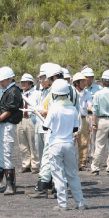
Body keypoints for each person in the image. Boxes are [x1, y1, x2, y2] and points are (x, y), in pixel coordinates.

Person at [43, 79, 89, 211]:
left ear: (54, 94)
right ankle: (80, 203)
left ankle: (63, 204)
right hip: (68, 144)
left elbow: (45, 127)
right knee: (72, 175)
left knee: (58, 175)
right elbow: (75, 129)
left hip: (55, 144)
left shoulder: (53, 109)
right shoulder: (73, 109)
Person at [0, 66, 24, 195]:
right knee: (0, 154)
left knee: (6, 153)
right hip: (2, 124)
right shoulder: (8, 90)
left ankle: (11, 186)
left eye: (2, 80)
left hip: (7, 125)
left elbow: (9, 111)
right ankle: (8, 184)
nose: (0, 83)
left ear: (10, 79)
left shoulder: (14, 91)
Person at [71, 73, 93, 170]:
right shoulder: (71, 92)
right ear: (76, 83)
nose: (85, 83)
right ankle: (70, 163)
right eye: (83, 81)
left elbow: (90, 106)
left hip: (83, 119)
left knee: (84, 142)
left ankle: (82, 164)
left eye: (85, 81)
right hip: (72, 120)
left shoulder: (87, 93)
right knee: (71, 142)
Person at [18, 73, 40, 173]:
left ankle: (35, 164)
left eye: (25, 82)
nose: (23, 84)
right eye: (22, 82)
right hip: (21, 119)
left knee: (33, 142)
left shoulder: (37, 94)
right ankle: (25, 164)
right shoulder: (20, 94)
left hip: (31, 118)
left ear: (30, 83)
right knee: (22, 142)